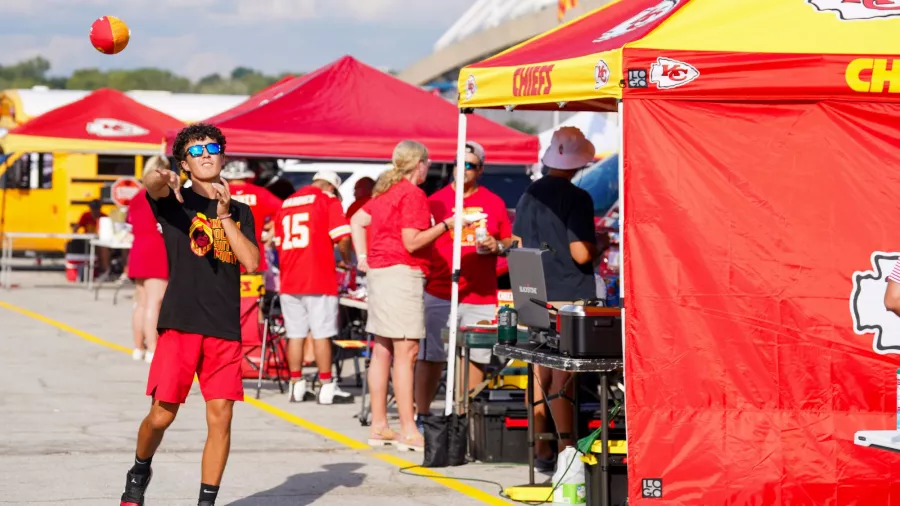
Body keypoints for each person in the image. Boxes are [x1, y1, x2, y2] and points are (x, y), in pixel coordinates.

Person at [120, 123, 258, 506]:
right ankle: (139, 468)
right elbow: (152, 185)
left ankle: (206, 502)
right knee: (161, 416)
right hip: (180, 323)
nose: (206, 155)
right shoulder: (174, 201)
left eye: (212, 148)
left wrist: (226, 215)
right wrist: (159, 175)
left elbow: (250, 261)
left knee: (221, 418)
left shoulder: (242, 211)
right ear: (184, 163)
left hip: (224, 328)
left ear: (223, 155)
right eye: (195, 152)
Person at [350, 140, 468, 451]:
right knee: (406, 353)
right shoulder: (413, 194)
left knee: (383, 351)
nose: (429, 167)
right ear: (420, 164)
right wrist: (447, 224)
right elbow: (413, 242)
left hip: (380, 274)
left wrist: (363, 257)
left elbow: (357, 220)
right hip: (402, 274)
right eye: (427, 163)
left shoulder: (386, 191)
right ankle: (408, 430)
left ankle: (380, 425)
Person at [511, 126, 598, 472]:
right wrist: (596, 245)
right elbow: (580, 253)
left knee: (539, 372)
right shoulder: (578, 197)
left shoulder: (529, 193)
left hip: (531, 291)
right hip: (568, 294)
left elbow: (517, 244)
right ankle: (567, 452)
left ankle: (541, 447)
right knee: (565, 375)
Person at [415, 141, 512, 424]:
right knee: (432, 356)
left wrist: (497, 245)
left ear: (480, 169)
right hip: (441, 289)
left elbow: (510, 240)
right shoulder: (436, 200)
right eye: (459, 163)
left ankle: (464, 417)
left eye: (469, 165)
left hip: (481, 293)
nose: (463, 169)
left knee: (476, 357)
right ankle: (423, 415)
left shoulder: (494, 202)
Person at [273, 170, 354, 405]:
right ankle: (327, 386)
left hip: (290, 277)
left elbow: (278, 244)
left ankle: (296, 385)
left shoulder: (287, 203)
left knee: (295, 334)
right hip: (318, 277)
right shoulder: (326, 199)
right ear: (331, 187)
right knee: (322, 334)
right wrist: (345, 259)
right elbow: (343, 236)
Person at [126, 156, 170, 364]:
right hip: (157, 249)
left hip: (138, 249)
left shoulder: (136, 197)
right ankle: (153, 348)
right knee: (156, 301)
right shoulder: (160, 195)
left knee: (141, 302)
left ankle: (138, 346)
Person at [221, 159, 282, 273]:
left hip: (224, 257)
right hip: (254, 257)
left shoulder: (218, 193)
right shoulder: (260, 193)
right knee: (254, 290)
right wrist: (271, 232)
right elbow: (285, 210)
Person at [73, 199, 110, 275]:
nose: (95, 211)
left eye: (96, 209)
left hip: (100, 241)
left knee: (103, 249)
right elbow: (76, 227)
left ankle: (104, 270)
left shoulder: (104, 217)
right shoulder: (85, 216)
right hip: (87, 241)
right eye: (93, 209)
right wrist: (76, 236)